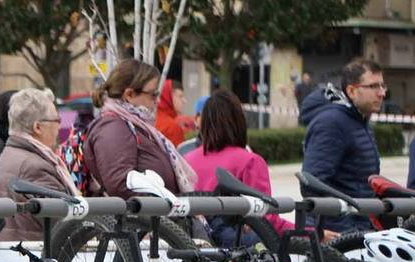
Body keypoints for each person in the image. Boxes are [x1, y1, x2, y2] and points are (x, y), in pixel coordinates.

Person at [185, 91, 293, 244]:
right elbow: (267, 221)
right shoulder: (250, 161)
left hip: (192, 248)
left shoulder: (187, 159)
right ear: (239, 122)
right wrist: (313, 234)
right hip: (234, 253)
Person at [84, 59, 197, 200]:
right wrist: (166, 200)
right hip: (143, 219)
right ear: (129, 95)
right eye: (153, 94)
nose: (158, 100)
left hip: (155, 218)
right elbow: (119, 184)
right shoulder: (114, 128)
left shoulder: (134, 125)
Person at [300, 58, 385, 233]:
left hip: (360, 229)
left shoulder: (361, 122)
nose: (382, 93)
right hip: (339, 236)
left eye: (383, 86)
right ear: (352, 91)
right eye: (373, 86)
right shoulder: (332, 123)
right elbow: (313, 183)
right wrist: (345, 231)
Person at [0, 89, 73, 241]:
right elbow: (66, 227)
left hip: (15, 253)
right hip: (35, 256)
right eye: (57, 120)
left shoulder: (9, 154)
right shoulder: (35, 167)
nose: (59, 128)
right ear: (38, 127)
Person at [155, 79, 192, 146]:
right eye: (180, 96)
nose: (184, 101)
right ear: (168, 96)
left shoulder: (149, 118)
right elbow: (179, 155)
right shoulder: (172, 127)